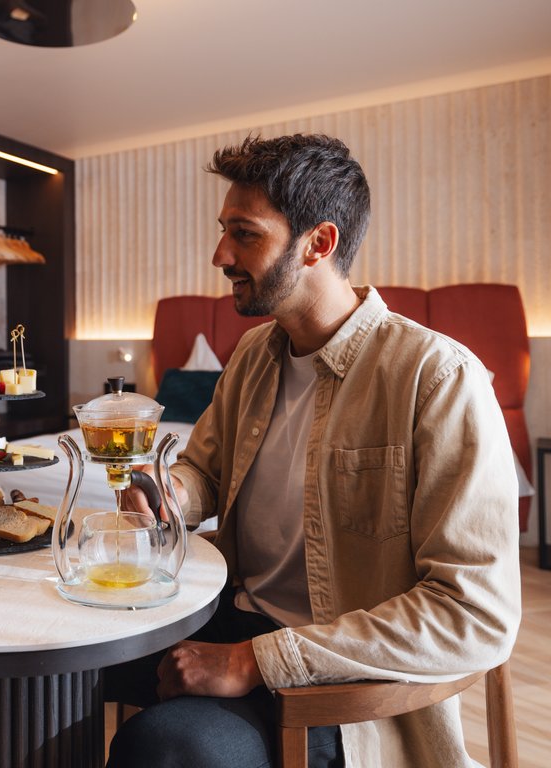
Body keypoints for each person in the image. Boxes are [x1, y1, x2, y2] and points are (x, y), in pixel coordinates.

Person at [105, 135, 521, 768]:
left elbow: (474, 614)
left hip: (342, 683)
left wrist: (255, 661)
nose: (220, 254)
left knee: (167, 748)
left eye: (244, 235)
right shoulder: (251, 355)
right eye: (224, 231)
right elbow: (203, 472)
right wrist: (171, 497)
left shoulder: (436, 378)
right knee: (46, 667)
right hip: (230, 615)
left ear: (318, 244)